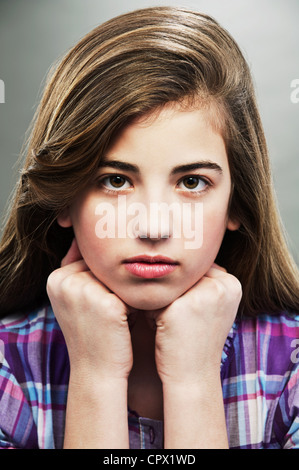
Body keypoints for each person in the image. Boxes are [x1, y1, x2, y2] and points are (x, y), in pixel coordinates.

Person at [0, 6, 298, 449]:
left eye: (192, 182)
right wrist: (95, 377)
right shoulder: (9, 367)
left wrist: (193, 381)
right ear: (64, 196)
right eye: (115, 180)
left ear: (238, 201)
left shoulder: (291, 368)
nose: (154, 226)